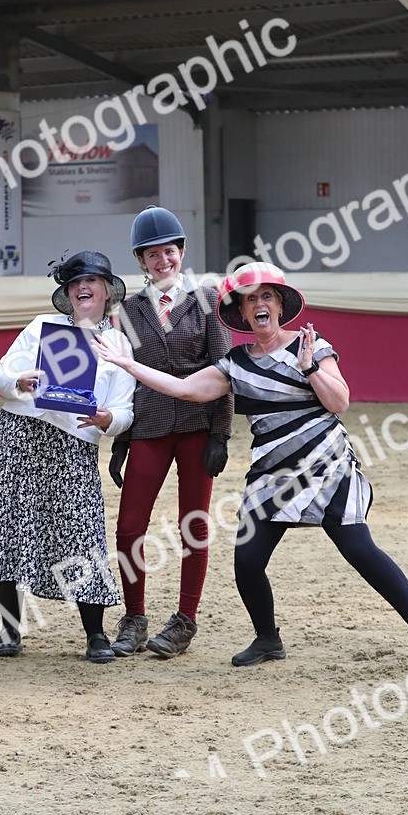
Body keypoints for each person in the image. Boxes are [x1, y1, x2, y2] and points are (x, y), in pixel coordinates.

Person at [93, 261, 408, 674]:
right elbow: (186, 389)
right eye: (250, 300)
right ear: (242, 313)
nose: (259, 304)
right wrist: (128, 365)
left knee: (359, 550)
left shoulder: (311, 345)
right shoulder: (236, 362)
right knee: (248, 560)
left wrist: (311, 368)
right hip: (272, 477)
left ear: (279, 306)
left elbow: (340, 402)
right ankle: (267, 639)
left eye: (266, 297)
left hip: (327, 467)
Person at [0, 251, 136, 664]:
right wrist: (19, 380)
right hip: (15, 438)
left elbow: (125, 410)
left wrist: (106, 417)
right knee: (5, 532)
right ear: (68, 294)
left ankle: (95, 635)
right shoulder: (42, 327)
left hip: (74, 447)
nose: (82, 288)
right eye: (75, 284)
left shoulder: (120, 344)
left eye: (91, 281)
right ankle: (8, 630)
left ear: (107, 290)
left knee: (82, 536)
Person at [107, 206, 233, 660]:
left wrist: (221, 434)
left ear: (181, 252)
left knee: (192, 527)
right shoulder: (127, 311)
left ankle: (184, 620)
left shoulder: (208, 300)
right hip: (150, 425)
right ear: (141, 260)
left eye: (170, 251)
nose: (164, 261)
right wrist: (122, 440)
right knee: (127, 528)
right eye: (153, 255)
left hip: (198, 427)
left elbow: (224, 370)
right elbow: (125, 378)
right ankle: (135, 616)